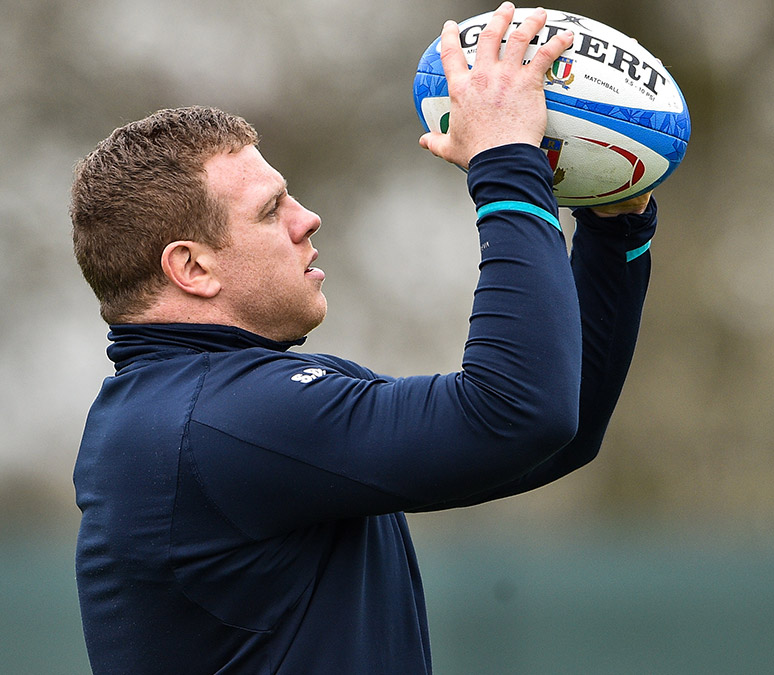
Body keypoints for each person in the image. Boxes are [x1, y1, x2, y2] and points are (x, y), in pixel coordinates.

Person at [70, 4, 658, 673]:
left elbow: (555, 427)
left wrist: (615, 228)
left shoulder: (218, 408)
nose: (308, 217)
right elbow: (519, 413)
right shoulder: (217, 423)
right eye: (271, 210)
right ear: (191, 267)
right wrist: (504, 163)